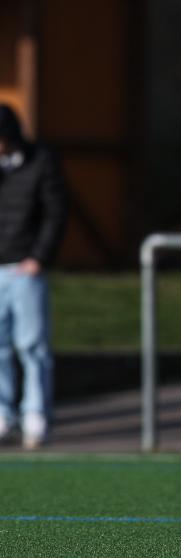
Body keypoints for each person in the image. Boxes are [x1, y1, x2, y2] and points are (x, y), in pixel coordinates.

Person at [0, 104, 68, 449]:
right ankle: (2, 414)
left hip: (24, 269)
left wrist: (39, 257)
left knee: (32, 345)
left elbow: (56, 211)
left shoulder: (40, 161)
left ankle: (35, 415)